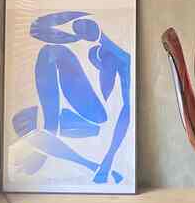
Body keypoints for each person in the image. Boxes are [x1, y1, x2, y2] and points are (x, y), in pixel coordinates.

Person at [10, 10, 131, 185]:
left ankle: (51, 130)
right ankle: (78, 155)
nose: (77, 30)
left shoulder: (124, 61)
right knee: (23, 121)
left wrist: (108, 160)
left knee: (50, 52)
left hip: (98, 118)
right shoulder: (95, 50)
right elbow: (36, 30)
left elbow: (126, 114)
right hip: (81, 119)